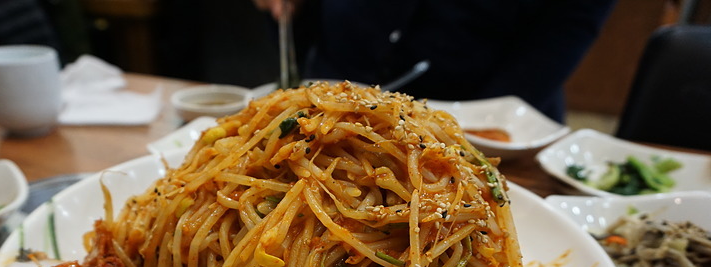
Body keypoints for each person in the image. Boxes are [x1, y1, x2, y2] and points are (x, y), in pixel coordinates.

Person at [254, 0, 617, 122]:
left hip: (492, 116)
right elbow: (294, 18)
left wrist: (473, 135)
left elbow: (565, 32)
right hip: (323, 100)